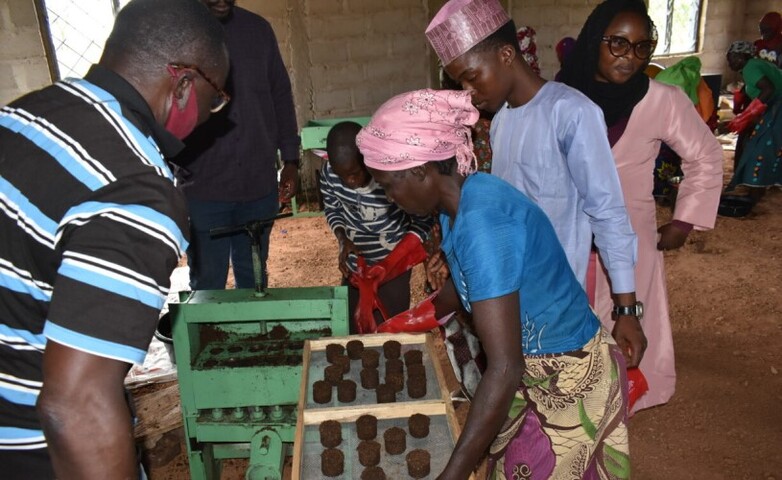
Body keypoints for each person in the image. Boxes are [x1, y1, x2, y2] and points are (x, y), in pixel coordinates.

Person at [0, 0, 228, 477]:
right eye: (215, 101)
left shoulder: (25, 116)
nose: (210, 118)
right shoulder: (131, 188)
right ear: (183, 84)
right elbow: (76, 406)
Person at [357, 88, 632, 479]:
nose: (389, 198)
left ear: (420, 170)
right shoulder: (463, 199)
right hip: (533, 369)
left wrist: (451, 475)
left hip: (568, 377)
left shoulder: (483, 225)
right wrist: (407, 322)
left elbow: (503, 367)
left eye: (388, 186)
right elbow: (466, 286)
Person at [426, 0, 645, 368]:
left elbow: (607, 213)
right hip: (511, 297)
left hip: (557, 303)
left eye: (471, 76)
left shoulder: (571, 113)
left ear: (506, 55)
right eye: (459, 82)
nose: (467, 91)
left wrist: (626, 309)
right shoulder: (502, 122)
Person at [560, 0, 723, 413]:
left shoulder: (661, 100)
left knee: (630, 315)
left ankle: (630, 391)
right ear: (595, 40)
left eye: (640, 47)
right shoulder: (561, 96)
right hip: (569, 232)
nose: (629, 57)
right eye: (617, 43)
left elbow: (704, 154)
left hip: (631, 231)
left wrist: (684, 220)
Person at [175, 0, 300, 291]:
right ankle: (208, 335)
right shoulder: (178, 34)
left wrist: (291, 160)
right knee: (207, 283)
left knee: (254, 277)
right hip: (203, 189)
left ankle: (253, 336)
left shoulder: (258, 31)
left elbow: (280, 95)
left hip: (258, 184)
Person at [320, 121, 432, 333]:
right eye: (341, 176)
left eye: (354, 173)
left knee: (389, 329)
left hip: (394, 263)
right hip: (356, 266)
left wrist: (390, 263)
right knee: (356, 329)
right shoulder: (330, 172)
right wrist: (343, 239)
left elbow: (422, 221)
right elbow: (332, 208)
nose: (350, 182)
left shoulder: (390, 177)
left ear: (367, 159)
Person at [725, 40, 782, 204]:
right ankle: (757, 187)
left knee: (761, 147)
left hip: (778, 106)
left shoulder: (750, 67)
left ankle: (755, 193)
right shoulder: (752, 66)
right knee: (762, 143)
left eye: (731, 57)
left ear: (742, 57)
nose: (729, 62)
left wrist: (748, 114)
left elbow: (768, 89)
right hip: (776, 105)